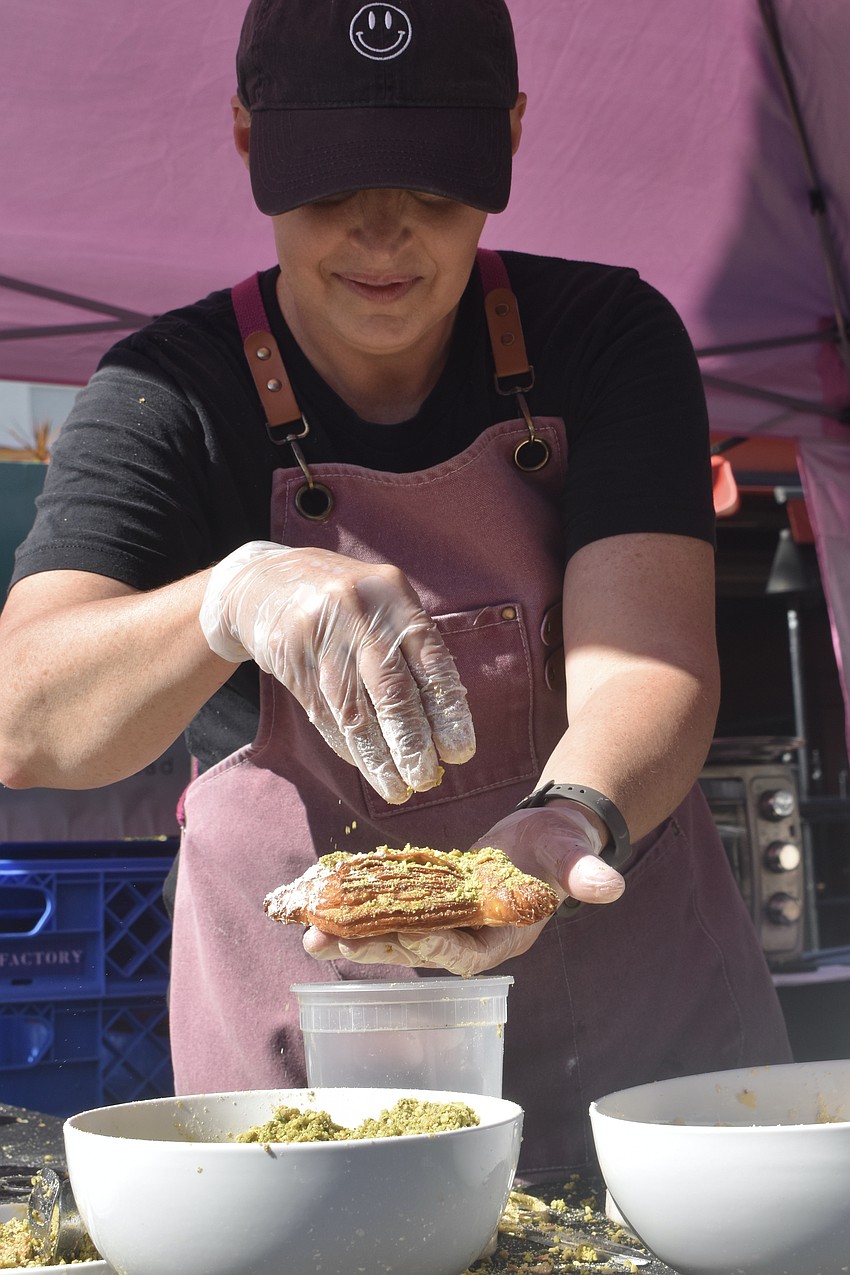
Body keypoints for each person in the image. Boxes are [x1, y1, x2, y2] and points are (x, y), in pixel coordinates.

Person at [0, 0, 791, 1176]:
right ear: (245, 134)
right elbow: (26, 722)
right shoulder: (168, 394)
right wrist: (227, 597)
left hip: (631, 1040)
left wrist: (572, 817)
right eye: (329, 186)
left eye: (432, 183)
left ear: (510, 133)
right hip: (317, 1072)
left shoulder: (605, 339)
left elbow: (650, 661)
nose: (381, 234)